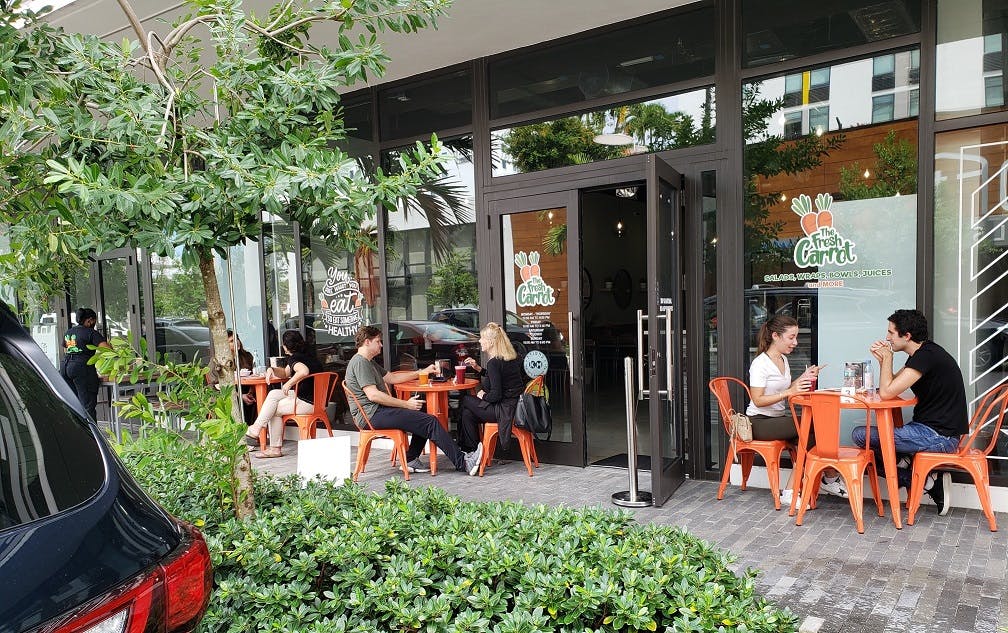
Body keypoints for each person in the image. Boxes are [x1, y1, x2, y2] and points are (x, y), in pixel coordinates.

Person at [852, 309, 967, 515]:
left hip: (940, 436)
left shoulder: (926, 357)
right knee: (874, 448)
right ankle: (920, 475)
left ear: (907, 336)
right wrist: (883, 361)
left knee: (861, 436)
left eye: (891, 333)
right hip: (933, 430)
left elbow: (886, 393)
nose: (887, 338)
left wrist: (887, 360)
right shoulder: (925, 353)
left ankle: (922, 479)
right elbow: (894, 384)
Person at [344, 325, 483, 475]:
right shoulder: (360, 363)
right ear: (367, 342)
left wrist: (421, 372)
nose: (381, 345)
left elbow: (392, 378)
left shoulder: (368, 362)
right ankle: (464, 463)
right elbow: (373, 395)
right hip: (372, 416)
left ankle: (410, 459)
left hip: (378, 412)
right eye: (378, 341)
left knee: (423, 413)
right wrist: (406, 404)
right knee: (430, 421)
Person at [745, 315, 844, 502]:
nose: (796, 342)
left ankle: (793, 490)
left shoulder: (783, 359)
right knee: (813, 424)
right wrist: (790, 391)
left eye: (796, 337)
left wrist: (805, 377)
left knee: (811, 436)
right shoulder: (760, 364)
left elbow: (786, 388)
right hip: (758, 422)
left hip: (776, 419)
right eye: (791, 337)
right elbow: (758, 400)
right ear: (775, 336)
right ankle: (828, 477)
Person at [243, 330, 322, 458]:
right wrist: (272, 369)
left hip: (307, 403)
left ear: (285, 346)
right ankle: (256, 428)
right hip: (316, 400)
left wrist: (289, 383)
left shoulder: (295, 358)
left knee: (273, 409)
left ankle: (273, 447)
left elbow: (303, 371)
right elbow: (285, 373)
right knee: (274, 393)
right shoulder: (307, 356)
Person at [459, 322, 526, 453]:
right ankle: (472, 451)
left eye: (482, 338)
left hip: (502, 411)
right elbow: (499, 378)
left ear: (491, 342)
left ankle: (468, 450)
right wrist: (478, 368)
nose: (479, 340)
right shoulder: (509, 358)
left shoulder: (494, 363)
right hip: (511, 407)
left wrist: (482, 395)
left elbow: (496, 395)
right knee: (467, 414)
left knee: (466, 400)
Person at [62, 307, 111, 420]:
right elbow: (107, 350)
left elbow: (66, 349)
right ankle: (92, 436)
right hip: (81, 368)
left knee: (74, 404)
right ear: (89, 320)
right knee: (87, 405)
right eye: (94, 320)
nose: (94, 323)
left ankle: (78, 433)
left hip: (65, 367)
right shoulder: (91, 332)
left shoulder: (69, 332)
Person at [208, 330, 256, 424]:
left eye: (237, 339)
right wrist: (240, 396)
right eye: (231, 341)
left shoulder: (247, 356)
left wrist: (250, 392)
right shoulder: (216, 361)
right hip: (223, 393)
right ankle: (236, 429)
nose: (236, 342)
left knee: (258, 398)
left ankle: (255, 430)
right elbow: (217, 385)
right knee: (235, 400)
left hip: (244, 390)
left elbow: (253, 376)